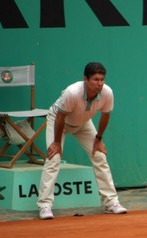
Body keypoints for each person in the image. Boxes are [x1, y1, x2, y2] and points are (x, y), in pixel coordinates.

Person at [37, 62, 127, 219]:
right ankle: (45, 206)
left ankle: (111, 203)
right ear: (86, 79)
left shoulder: (107, 93)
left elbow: (105, 115)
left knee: (99, 156)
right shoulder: (72, 92)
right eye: (95, 79)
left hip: (84, 123)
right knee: (54, 158)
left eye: (102, 79)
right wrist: (56, 143)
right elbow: (60, 117)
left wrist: (98, 139)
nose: (100, 83)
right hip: (59, 121)